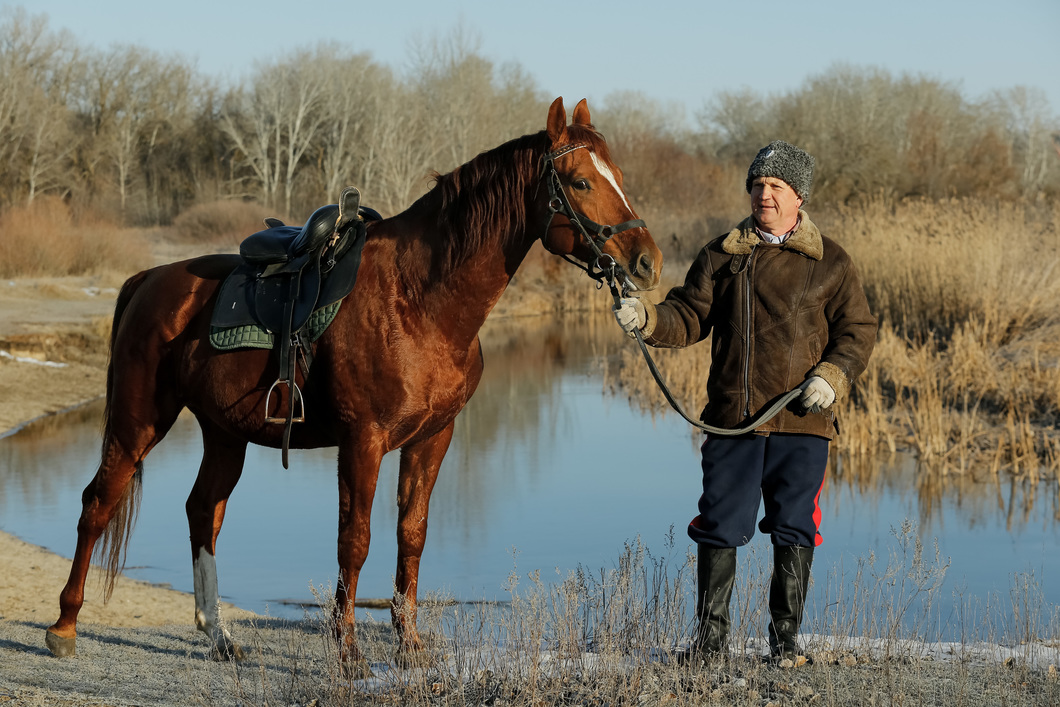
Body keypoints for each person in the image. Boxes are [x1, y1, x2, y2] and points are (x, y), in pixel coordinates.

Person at [614, 140, 877, 661]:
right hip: (732, 421)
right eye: (758, 185)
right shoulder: (720, 254)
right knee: (719, 527)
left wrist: (833, 375)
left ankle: (785, 644)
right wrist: (647, 317)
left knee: (794, 528)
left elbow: (858, 331)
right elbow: (687, 316)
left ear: (799, 196)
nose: (765, 194)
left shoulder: (833, 263)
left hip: (803, 422)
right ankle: (710, 645)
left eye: (777, 186)